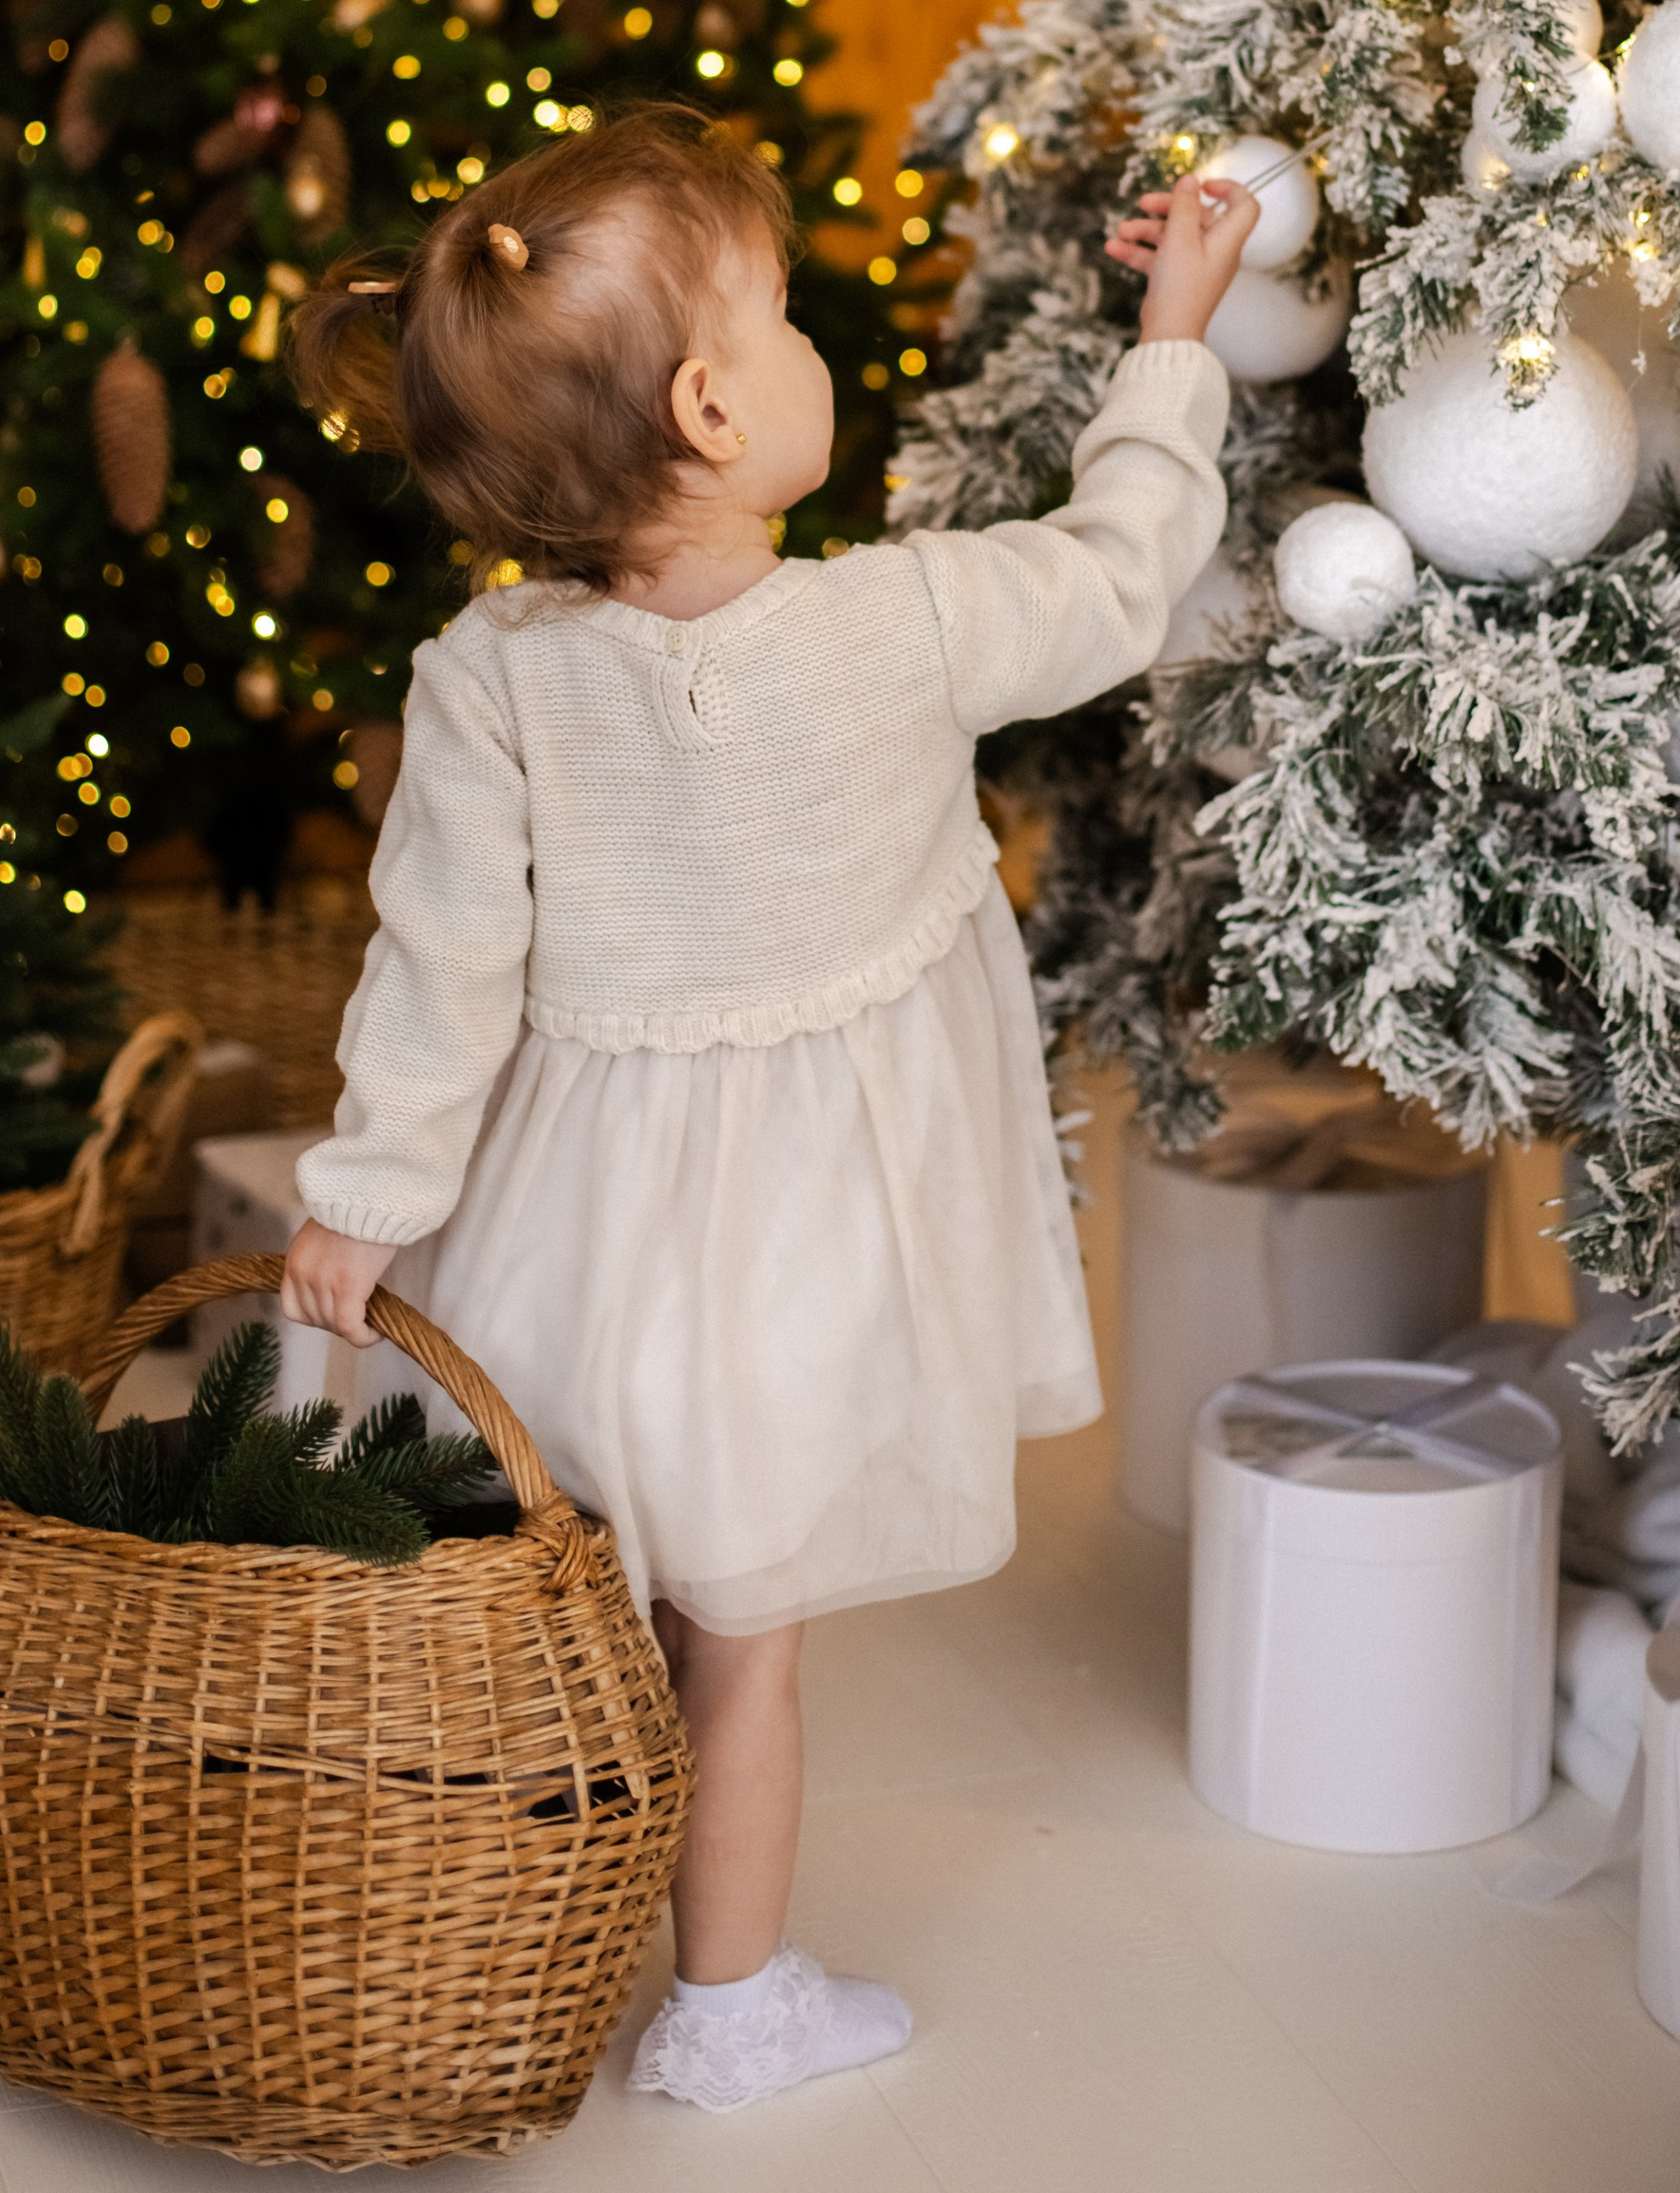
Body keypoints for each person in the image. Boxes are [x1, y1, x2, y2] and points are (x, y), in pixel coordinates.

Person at [280, 105, 1254, 2111]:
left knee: (581, 1603)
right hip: (806, 1251)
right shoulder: (897, 620)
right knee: (743, 1642)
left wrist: (366, 1203)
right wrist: (1174, 329)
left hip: (575, 1237)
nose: (821, 348)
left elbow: (437, 962)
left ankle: (513, 1945)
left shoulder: (488, 672)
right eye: (791, 318)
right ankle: (725, 2007)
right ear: (715, 407)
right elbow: (1121, 566)